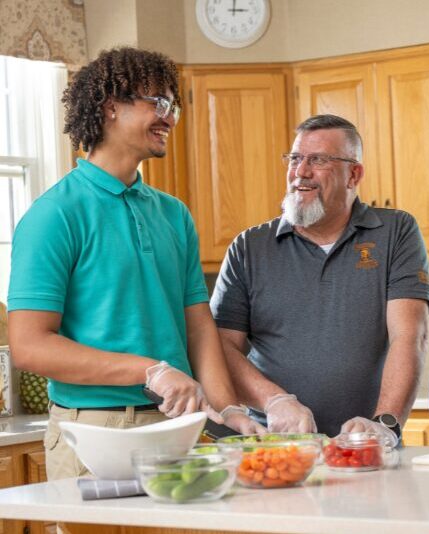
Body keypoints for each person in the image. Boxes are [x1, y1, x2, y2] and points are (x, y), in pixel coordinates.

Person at [7, 47, 263, 479]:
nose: (171, 116)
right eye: (157, 102)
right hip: (95, 431)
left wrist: (227, 410)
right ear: (111, 108)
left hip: (179, 426)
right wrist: (149, 370)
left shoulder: (173, 214)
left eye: (172, 104)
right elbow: (30, 346)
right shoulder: (55, 215)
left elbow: (198, 325)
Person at [210, 114, 429, 440]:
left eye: (318, 160)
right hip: (275, 444)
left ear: (353, 174)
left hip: (364, 445)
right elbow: (220, 348)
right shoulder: (249, 247)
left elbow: (410, 335)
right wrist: (274, 401)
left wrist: (384, 424)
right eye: (295, 158)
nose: (301, 172)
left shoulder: (396, 231)